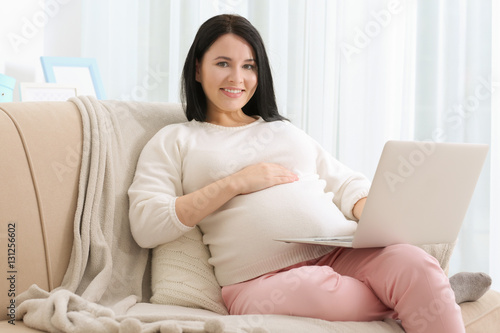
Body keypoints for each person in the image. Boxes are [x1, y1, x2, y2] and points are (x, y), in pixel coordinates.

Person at [129, 14, 490, 333]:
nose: (237, 78)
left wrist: (371, 212)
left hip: (342, 250)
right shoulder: (175, 140)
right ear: (197, 68)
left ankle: (431, 286)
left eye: (249, 66)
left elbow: (345, 182)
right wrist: (234, 183)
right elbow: (147, 223)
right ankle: (439, 292)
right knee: (333, 293)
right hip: (259, 280)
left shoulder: (283, 131)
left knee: (415, 263)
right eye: (223, 63)